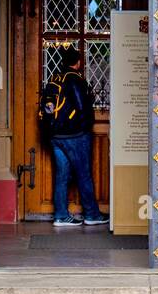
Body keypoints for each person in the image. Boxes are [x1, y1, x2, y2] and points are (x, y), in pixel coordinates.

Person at [40, 47, 109, 228]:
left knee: (62, 175)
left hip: (55, 135)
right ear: (78, 62)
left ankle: (61, 216)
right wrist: (86, 127)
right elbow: (81, 107)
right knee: (84, 174)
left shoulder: (54, 78)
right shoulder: (74, 79)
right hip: (74, 135)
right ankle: (92, 214)